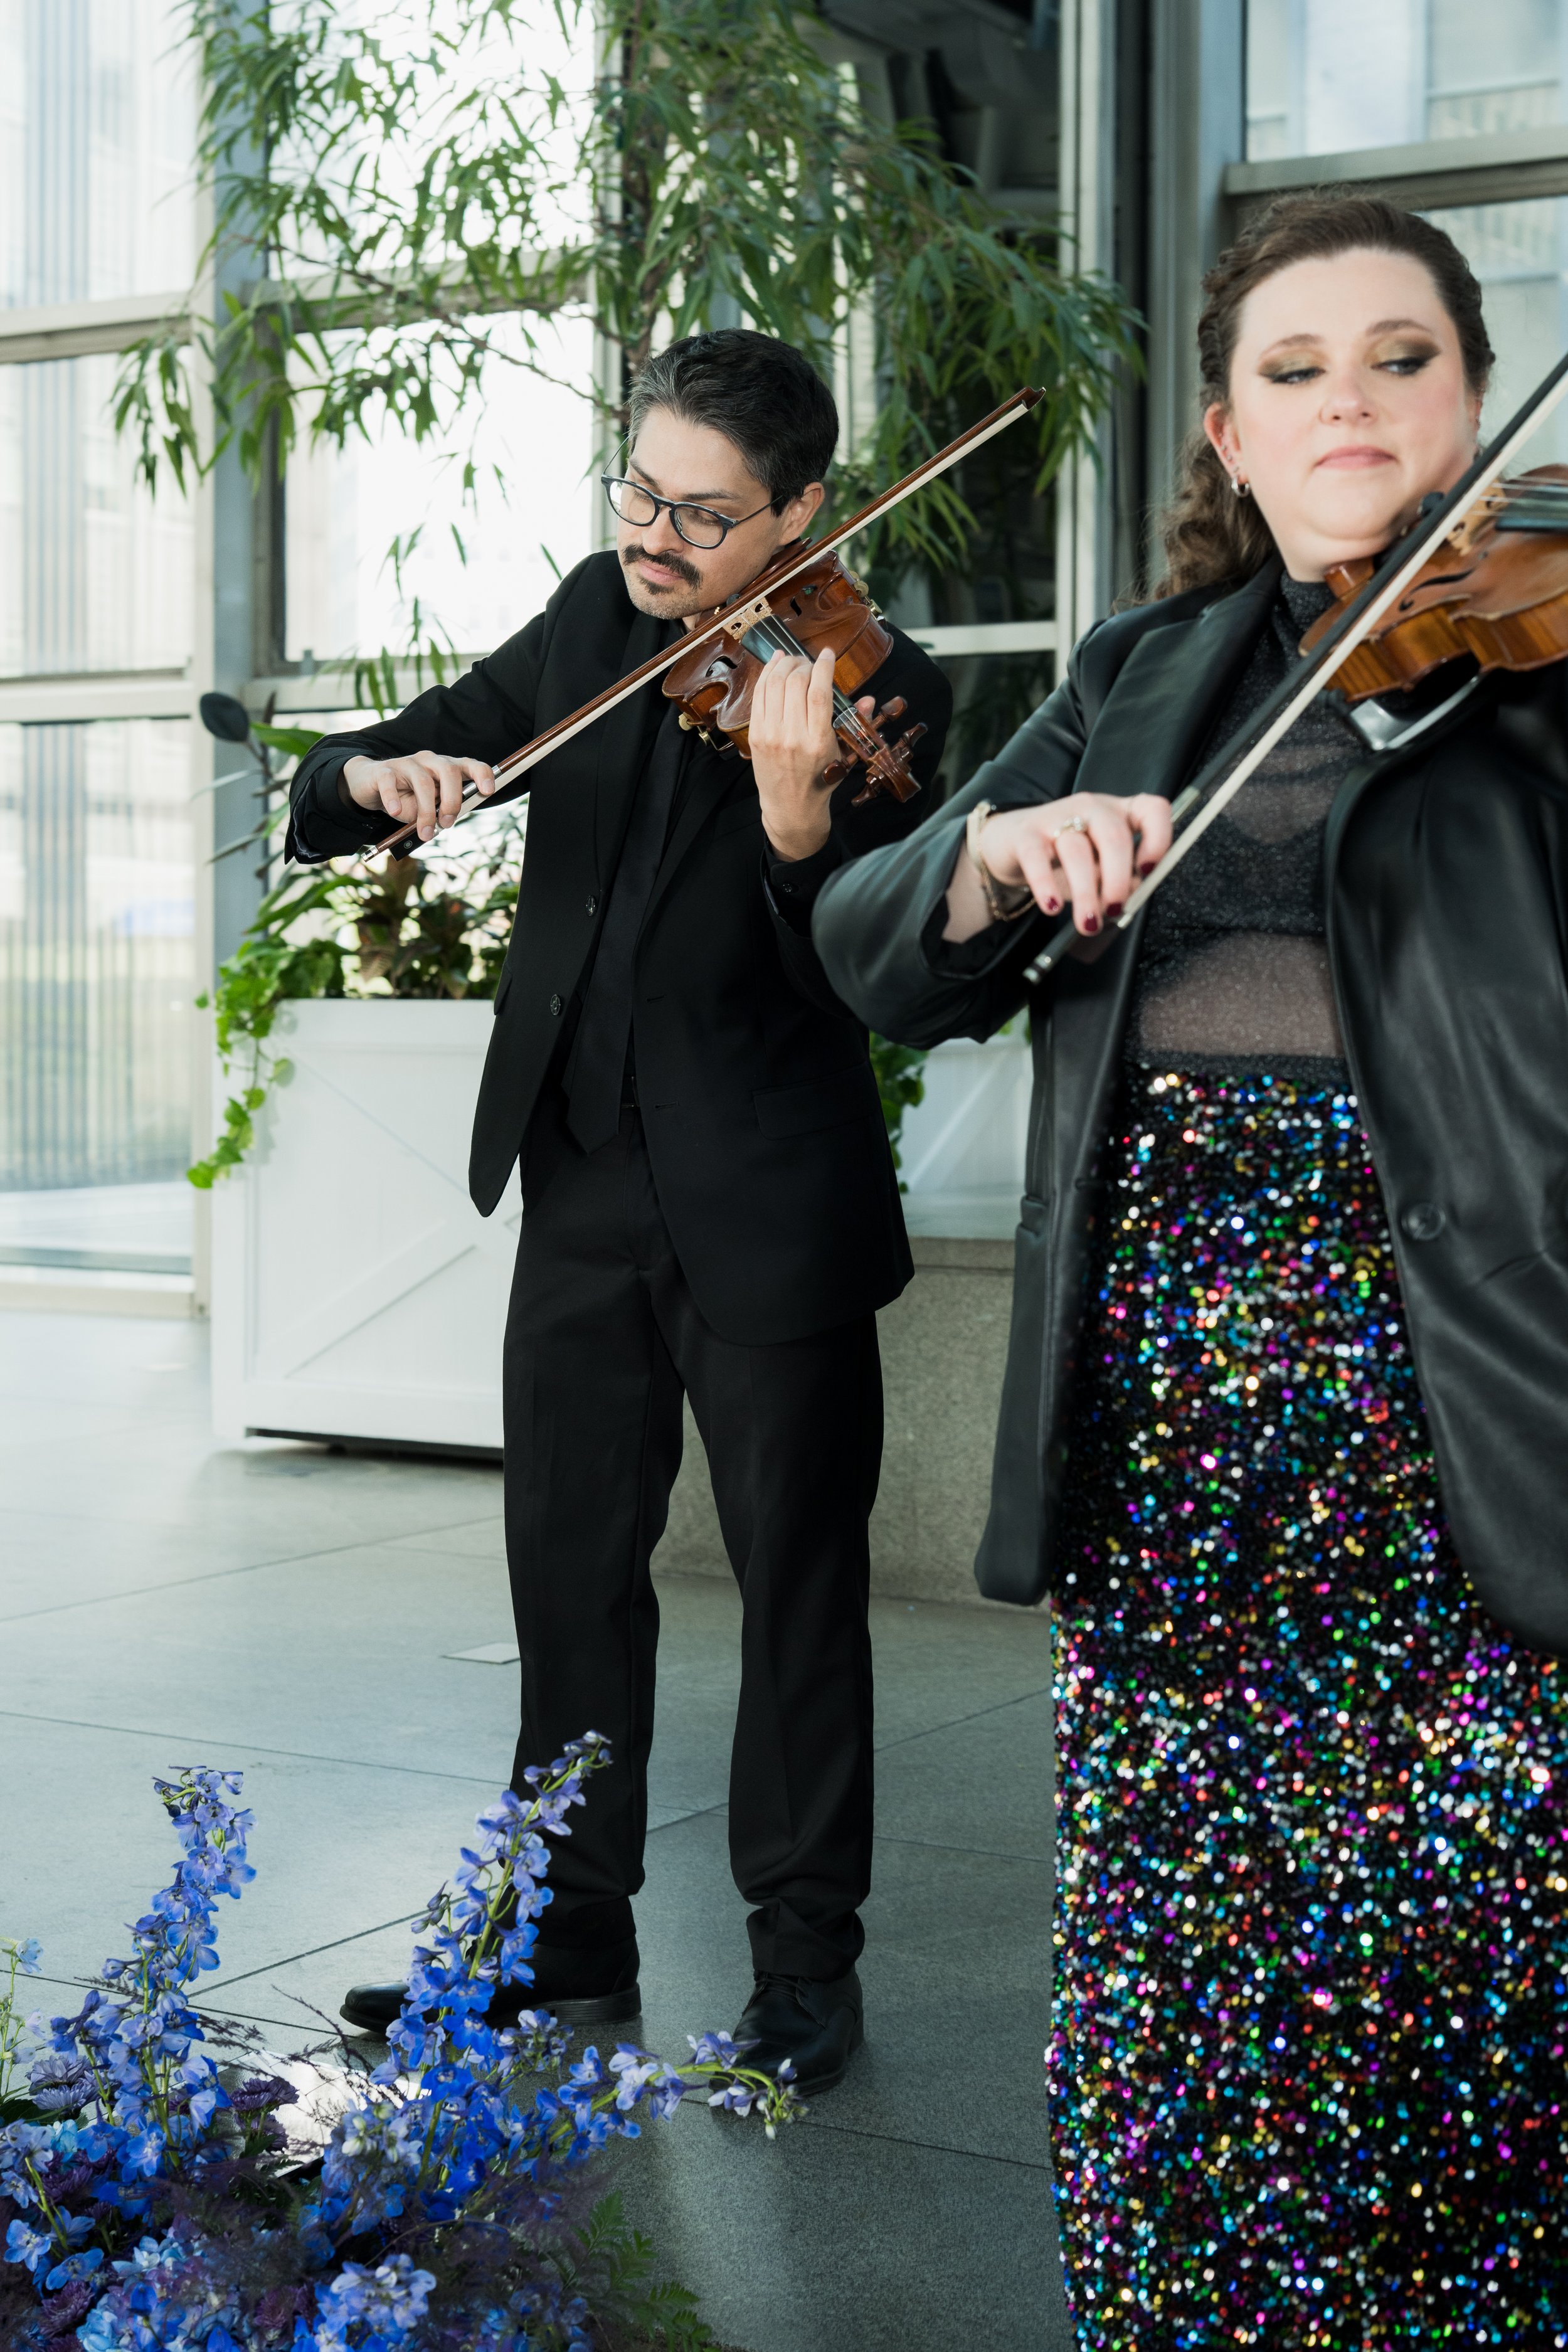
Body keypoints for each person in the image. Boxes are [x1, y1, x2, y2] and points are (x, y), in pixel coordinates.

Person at [811, 194, 1568, 2335]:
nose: (1351, 398)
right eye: (1295, 367)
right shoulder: (1145, 673)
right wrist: (975, 860)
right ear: (1225, 436)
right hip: (1164, 1420)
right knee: (1184, 1949)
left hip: (1472, 1393)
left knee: (1469, 1952)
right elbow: (871, 951)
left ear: (1471, 395)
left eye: (1401, 358)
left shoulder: (1547, 647)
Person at [285, 328, 951, 2094]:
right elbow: (378, 762)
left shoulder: (886, 686)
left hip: (769, 1208)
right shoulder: (593, 616)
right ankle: (560, 1938)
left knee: (795, 1595)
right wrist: (371, 780)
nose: (655, 539)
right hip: (578, 1186)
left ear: (798, 514)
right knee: (570, 1577)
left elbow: (891, 974)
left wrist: (801, 829)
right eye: (641, 492)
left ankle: (807, 1967)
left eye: (702, 516)